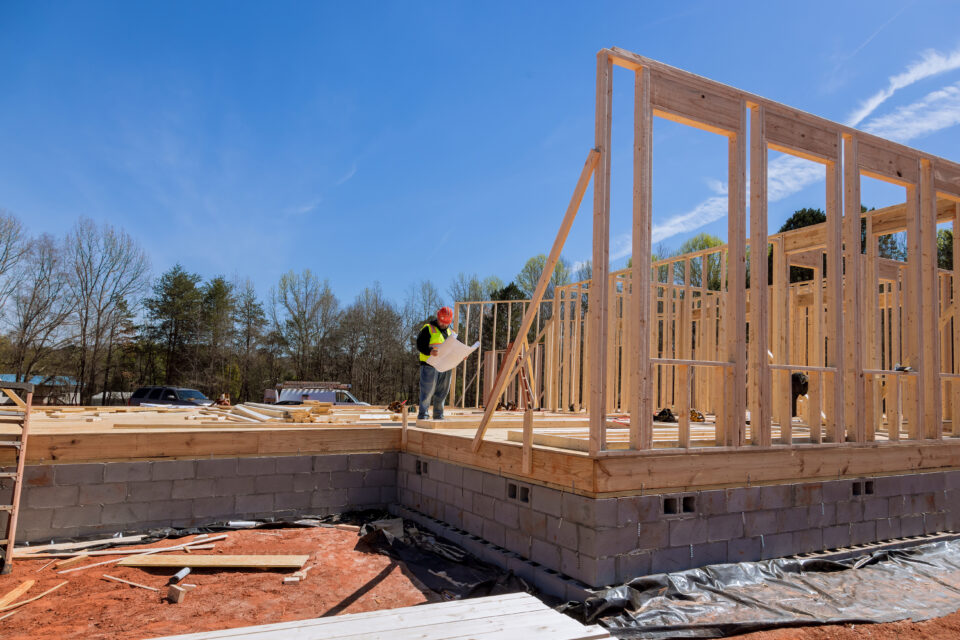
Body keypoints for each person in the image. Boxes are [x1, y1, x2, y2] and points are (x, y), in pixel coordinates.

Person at [417, 306, 454, 420]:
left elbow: (453, 348)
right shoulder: (428, 328)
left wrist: (462, 355)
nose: (443, 325)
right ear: (438, 318)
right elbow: (420, 344)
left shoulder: (450, 332)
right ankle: (423, 415)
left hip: (445, 366)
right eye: (441, 322)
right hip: (430, 365)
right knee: (427, 391)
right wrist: (429, 351)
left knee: (443, 392)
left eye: (446, 323)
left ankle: (438, 415)